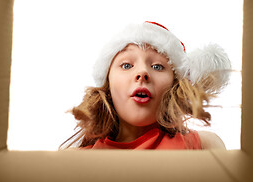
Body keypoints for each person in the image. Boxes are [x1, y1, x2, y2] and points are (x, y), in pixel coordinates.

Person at [61, 21, 231, 150]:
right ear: (107, 85)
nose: (142, 73)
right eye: (127, 65)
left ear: (175, 87)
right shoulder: (74, 161)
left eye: (157, 66)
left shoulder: (204, 147)